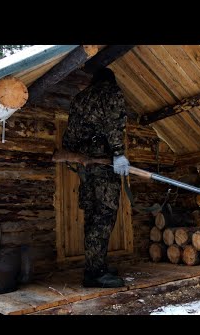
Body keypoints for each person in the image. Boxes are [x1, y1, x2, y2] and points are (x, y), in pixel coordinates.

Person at [61, 67, 129, 288]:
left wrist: (77, 155)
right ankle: (95, 273)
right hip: (103, 164)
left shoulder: (80, 98)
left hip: (85, 165)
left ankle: (95, 265)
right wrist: (118, 153)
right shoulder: (110, 92)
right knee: (104, 216)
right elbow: (114, 126)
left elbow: (70, 135)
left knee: (92, 215)